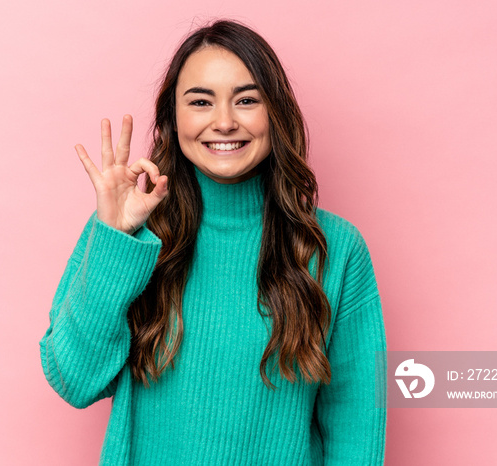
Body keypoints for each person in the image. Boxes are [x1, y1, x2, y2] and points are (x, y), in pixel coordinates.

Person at [40, 19, 387, 465]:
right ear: (173, 118)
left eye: (246, 100)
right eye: (200, 102)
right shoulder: (125, 232)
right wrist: (116, 238)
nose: (224, 122)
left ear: (274, 114)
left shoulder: (335, 249)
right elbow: (73, 380)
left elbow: (356, 427)